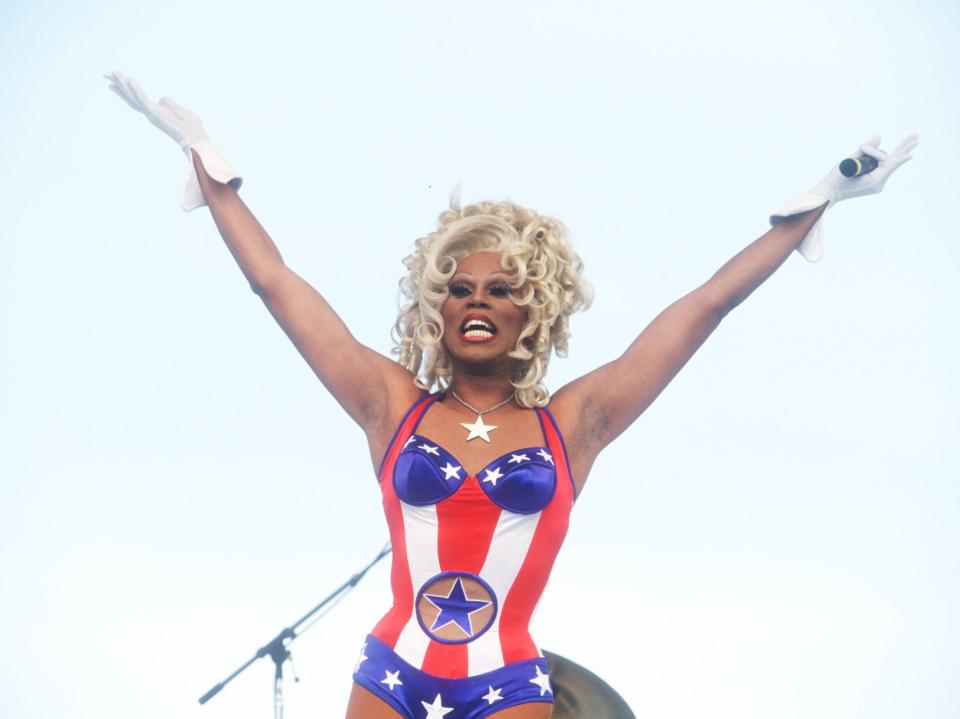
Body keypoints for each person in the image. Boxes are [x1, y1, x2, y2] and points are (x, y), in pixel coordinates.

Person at [103, 70, 918, 719]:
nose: (478, 300)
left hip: (507, 686)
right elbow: (277, 284)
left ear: (533, 309)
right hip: (393, 673)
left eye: (500, 288)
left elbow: (705, 305)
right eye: (459, 289)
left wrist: (810, 208)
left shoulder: (576, 420)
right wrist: (213, 170)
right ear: (438, 307)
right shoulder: (392, 405)